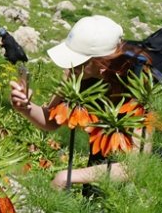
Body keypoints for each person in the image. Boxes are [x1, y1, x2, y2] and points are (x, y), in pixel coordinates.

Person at [9, 15, 154, 188]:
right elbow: (51, 119)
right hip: (102, 156)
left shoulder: (141, 84)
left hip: (148, 174)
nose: (70, 66)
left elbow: (135, 166)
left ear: (103, 63)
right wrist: (25, 107)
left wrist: (68, 176)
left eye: (79, 63)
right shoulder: (75, 72)